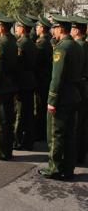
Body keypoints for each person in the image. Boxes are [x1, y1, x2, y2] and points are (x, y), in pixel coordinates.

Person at [39, 14, 83, 180]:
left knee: (56, 133)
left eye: (54, 28)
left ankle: (55, 167)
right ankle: (68, 168)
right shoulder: (77, 46)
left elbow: (57, 77)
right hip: (74, 95)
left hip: (62, 97)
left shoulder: (62, 48)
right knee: (70, 134)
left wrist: (51, 100)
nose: (53, 31)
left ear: (60, 29)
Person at [0, 12, 18, 161]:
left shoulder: (0, 45)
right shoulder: (14, 42)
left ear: (2, 27)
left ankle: (0, 150)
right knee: (8, 119)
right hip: (11, 85)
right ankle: (8, 149)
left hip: (1, 87)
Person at [13, 14, 38, 151]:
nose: (16, 29)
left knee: (19, 113)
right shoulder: (33, 44)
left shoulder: (21, 44)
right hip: (31, 80)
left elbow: (18, 67)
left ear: (23, 29)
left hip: (22, 82)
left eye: (18, 27)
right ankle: (29, 140)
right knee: (28, 113)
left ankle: (16, 140)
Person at [70, 15, 88, 165]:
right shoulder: (84, 44)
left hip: (80, 86)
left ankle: (76, 156)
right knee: (82, 123)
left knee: (77, 124)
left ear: (76, 30)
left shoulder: (79, 46)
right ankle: (81, 154)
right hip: (84, 85)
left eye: (72, 28)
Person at [34, 15, 53, 141]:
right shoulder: (49, 41)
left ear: (42, 28)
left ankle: (40, 133)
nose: (36, 28)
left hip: (41, 79)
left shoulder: (41, 43)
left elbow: (36, 63)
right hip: (46, 78)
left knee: (40, 107)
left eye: (38, 26)